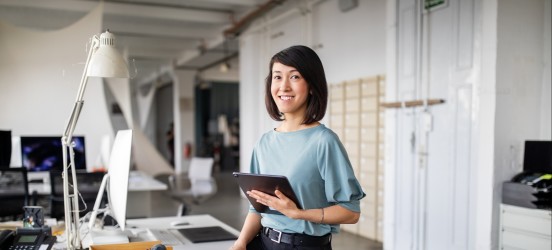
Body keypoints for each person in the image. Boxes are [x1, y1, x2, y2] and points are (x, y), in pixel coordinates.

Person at [231, 45, 365, 250]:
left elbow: (351, 212)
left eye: (294, 77)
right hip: (263, 242)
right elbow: (257, 208)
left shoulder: (324, 141)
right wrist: (241, 242)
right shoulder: (264, 143)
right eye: (277, 77)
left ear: (312, 85)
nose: (283, 86)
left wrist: (298, 214)